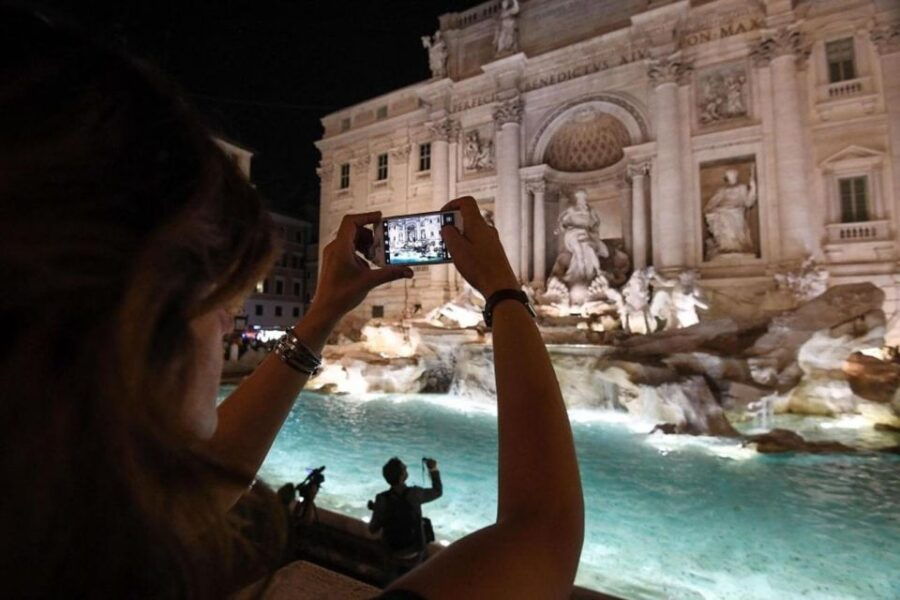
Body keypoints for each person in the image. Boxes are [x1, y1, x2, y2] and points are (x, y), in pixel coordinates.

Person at [2, 7, 583, 600]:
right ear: (124, 328)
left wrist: (323, 313)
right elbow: (544, 532)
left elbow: (210, 473)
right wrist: (503, 293)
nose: (229, 316)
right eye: (211, 287)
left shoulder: (61, 541)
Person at [369, 457, 443, 579]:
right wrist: (433, 469)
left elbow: (373, 529)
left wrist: (378, 510)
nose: (407, 468)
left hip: (391, 551)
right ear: (402, 476)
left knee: (391, 579)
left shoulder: (381, 499)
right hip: (414, 552)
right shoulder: (415, 493)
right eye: (404, 468)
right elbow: (438, 491)